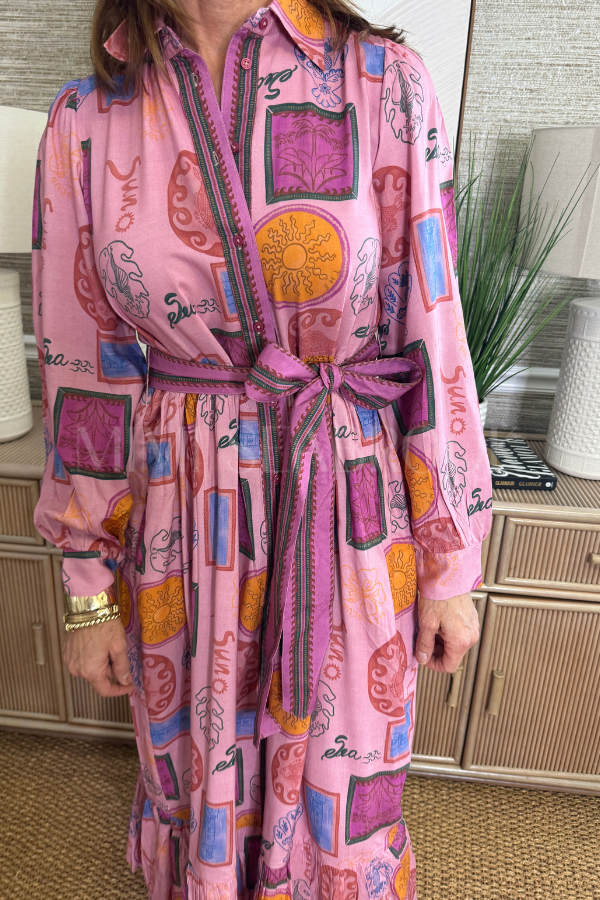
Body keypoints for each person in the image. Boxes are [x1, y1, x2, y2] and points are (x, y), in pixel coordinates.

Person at [31, 0, 491, 896]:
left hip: (348, 507)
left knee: (341, 782)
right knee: (196, 778)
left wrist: (448, 561)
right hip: (184, 519)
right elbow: (80, 368)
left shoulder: (381, 83)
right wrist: (87, 590)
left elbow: (432, 329)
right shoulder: (89, 119)